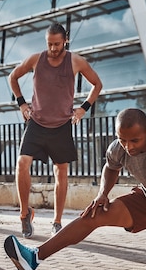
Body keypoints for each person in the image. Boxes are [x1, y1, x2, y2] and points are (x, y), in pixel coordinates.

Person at [4, 108, 146, 270]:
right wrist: (102, 194)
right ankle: (34, 257)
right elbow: (110, 168)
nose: (128, 147)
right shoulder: (118, 148)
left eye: (134, 140)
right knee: (94, 214)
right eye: (123, 140)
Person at [8, 22, 102, 238]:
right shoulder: (35, 59)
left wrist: (83, 109)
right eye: (49, 44)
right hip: (37, 123)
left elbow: (97, 84)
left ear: (65, 40)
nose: (52, 48)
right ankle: (24, 214)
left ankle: (57, 222)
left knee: (61, 171)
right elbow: (13, 77)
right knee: (22, 163)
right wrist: (22, 103)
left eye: (56, 44)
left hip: (61, 126)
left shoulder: (76, 61)